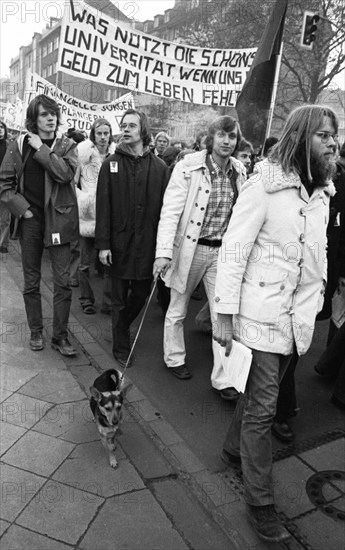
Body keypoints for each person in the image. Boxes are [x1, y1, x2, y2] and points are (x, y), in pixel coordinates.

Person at [213, 104, 338, 543]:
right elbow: (233, 248)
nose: (332, 142)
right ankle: (260, 502)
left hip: (297, 322)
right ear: (302, 137)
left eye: (333, 135)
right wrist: (224, 311)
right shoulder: (262, 186)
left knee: (255, 399)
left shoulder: (322, 192)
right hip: (260, 314)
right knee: (264, 409)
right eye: (323, 135)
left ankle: (232, 451)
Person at [153, 115, 247, 398]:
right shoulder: (187, 167)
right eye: (222, 135)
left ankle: (224, 379)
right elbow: (170, 213)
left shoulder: (239, 171)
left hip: (221, 253)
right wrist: (163, 253)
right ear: (211, 138)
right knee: (178, 307)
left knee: (224, 315)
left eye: (231, 137)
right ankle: (174, 357)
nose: (227, 141)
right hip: (190, 249)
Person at [0, 94, 79, 355]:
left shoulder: (67, 145)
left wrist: (42, 149)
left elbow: (65, 174)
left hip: (60, 221)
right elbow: (4, 185)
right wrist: (24, 212)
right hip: (31, 223)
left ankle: (60, 336)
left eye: (53, 114)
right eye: (44, 114)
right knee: (31, 281)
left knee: (63, 282)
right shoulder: (18, 145)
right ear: (34, 119)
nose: (50, 118)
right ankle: (36, 331)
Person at [95, 109, 170, 367]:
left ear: (142, 130)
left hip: (146, 246)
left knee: (140, 294)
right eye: (123, 126)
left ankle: (122, 325)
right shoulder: (110, 163)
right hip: (118, 244)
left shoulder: (160, 168)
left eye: (131, 126)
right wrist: (103, 244)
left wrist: (163, 249)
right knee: (117, 299)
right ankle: (120, 344)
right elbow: (103, 207)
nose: (126, 130)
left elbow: (166, 211)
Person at [76, 118, 115, 315]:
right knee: (84, 262)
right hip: (87, 215)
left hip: (109, 216)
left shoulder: (116, 156)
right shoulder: (83, 155)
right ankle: (86, 299)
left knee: (109, 262)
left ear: (110, 134)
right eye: (99, 133)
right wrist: (83, 200)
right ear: (93, 134)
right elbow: (73, 183)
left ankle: (108, 302)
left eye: (106, 133)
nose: (102, 137)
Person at [0, 121, 10, 253]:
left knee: (5, 217)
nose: (0, 130)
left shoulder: (10, 145)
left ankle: (3, 243)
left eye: (1, 127)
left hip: (6, 185)